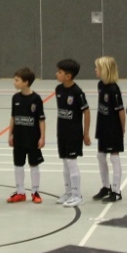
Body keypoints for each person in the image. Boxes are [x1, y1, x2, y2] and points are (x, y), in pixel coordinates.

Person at [6, 67, 46, 204]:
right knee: (18, 164)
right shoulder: (15, 98)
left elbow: (41, 119)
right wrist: (10, 134)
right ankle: (20, 192)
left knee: (34, 164)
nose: (14, 82)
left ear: (26, 82)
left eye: (17, 80)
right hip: (19, 138)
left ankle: (35, 192)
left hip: (33, 138)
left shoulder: (36, 99)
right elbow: (13, 117)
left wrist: (42, 137)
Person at [54, 58, 91, 207]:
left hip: (73, 133)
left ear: (68, 76)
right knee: (65, 163)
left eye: (59, 72)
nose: (56, 74)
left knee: (71, 162)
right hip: (61, 132)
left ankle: (77, 195)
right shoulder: (58, 89)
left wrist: (86, 134)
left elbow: (86, 112)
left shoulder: (77, 92)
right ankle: (68, 192)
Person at [93, 56, 126, 202]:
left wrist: (122, 129)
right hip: (102, 127)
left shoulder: (114, 89)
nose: (95, 70)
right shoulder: (101, 85)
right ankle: (106, 187)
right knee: (100, 156)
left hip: (113, 129)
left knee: (114, 157)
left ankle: (116, 191)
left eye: (98, 68)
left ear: (105, 70)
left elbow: (121, 111)